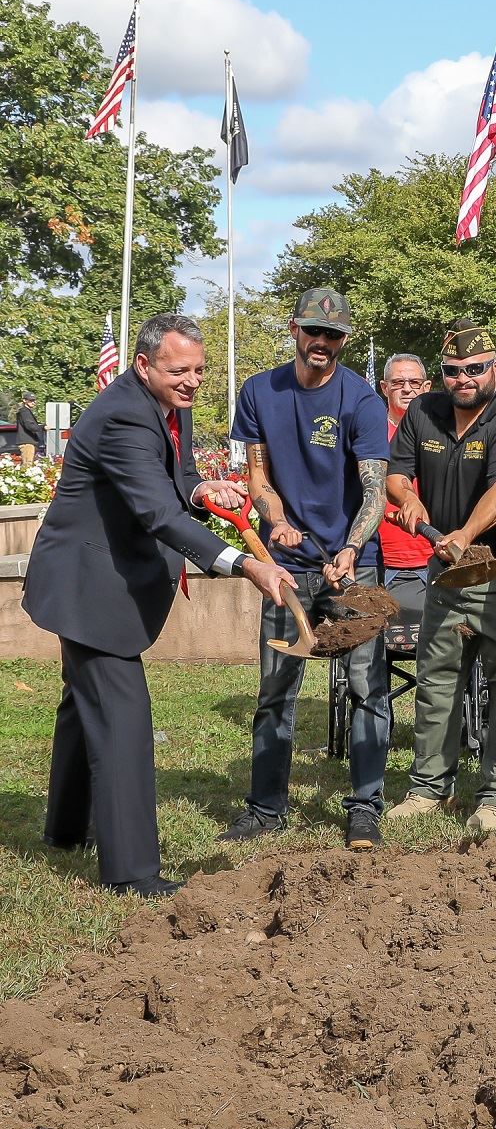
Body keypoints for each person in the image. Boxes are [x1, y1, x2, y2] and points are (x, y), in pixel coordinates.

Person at [24, 314, 292, 896]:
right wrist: (244, 564)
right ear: (142, 365)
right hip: (87, 585)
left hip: (99, 578)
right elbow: (158, 515)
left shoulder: (171, 401)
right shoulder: (123, 414)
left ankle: (66, 829)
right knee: (122, 721)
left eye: (199, 370)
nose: (192, 381)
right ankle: (133, 874)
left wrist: (202, 488)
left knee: (83, 701)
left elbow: (178, 479)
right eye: (179, 370)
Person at [219, 288, 393, 851]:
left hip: (353, 569)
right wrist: (274, 519)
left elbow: (373, 491)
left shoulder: (361, 400)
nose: (322, 343)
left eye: (334, 335)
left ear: (345, 339)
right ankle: (266, 808)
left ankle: (365, 807)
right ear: (295, 330)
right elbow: (257, 476)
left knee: (368, 688)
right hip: (285, 570)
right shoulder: (258, 392)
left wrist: (350, 548)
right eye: (314, 332)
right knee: (276, 689)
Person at [384, 319, 496, 836]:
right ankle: (430, 786)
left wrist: (465, 533)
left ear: (495, 369)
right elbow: (395, 472)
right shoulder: (422, 412)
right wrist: (406, 497)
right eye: (453, 371)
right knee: (436, 680)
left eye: (476, 369)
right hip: (447, 573)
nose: (464, 379)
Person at [377, 353, 435, 591]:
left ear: (427, 386)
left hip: (435, 556)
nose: (407, 390)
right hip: (381, 561)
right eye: (398, 383)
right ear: (384, 388)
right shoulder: (369, 434)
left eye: (415, 383)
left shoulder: (444, 432)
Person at [13, 390, 43, 464]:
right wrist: (42, 427)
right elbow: (29, 426)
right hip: (27, 442)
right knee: (27, 465)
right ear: (24, 400)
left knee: (28, 464)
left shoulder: (26, 412)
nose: (34, 402)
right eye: (31, 400)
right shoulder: (24, 411)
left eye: (34, 400)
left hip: (28, 442)